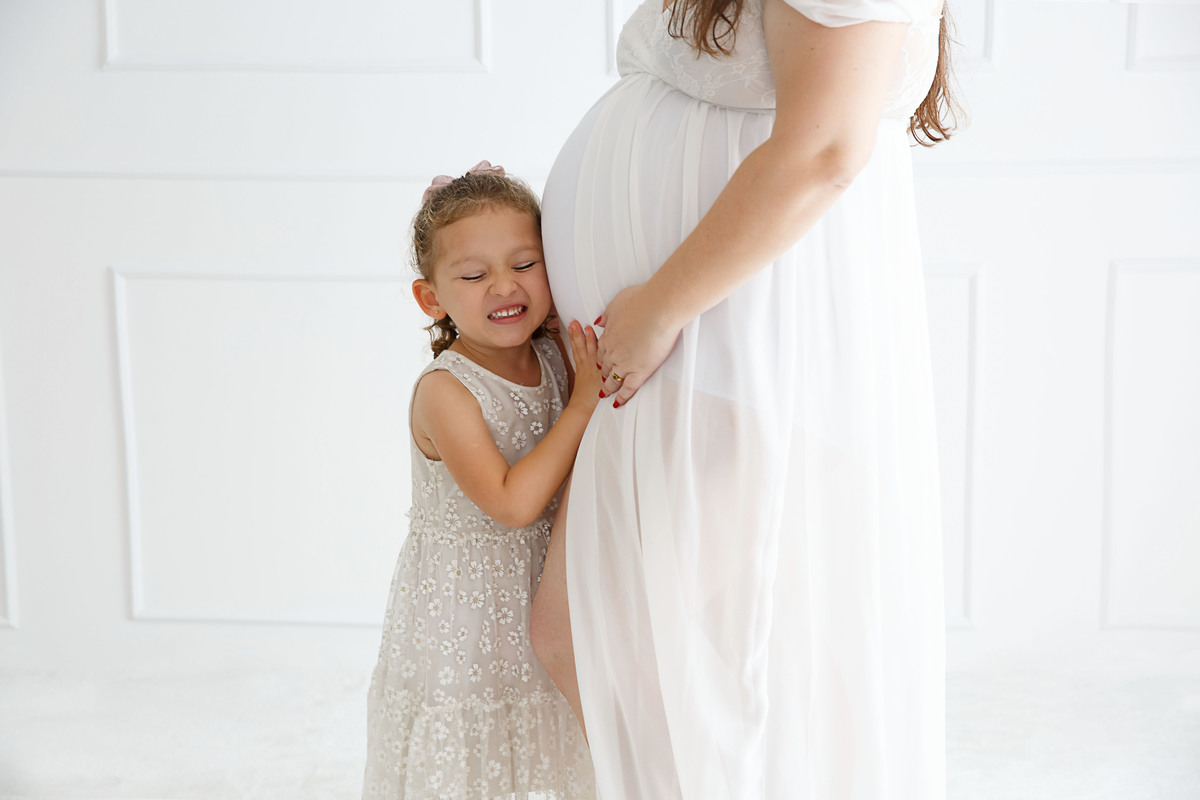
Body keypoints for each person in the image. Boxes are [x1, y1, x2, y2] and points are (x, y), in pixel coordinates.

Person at [529, 0, 957, 797]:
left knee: (615, 642)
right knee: (625, 643)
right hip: (683, 344)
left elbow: (825, 149)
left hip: (733, 333)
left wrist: (660, 308)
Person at [362, 163, 597, 800]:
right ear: (431, 298)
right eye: (473, 275)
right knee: (477, 751)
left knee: (549, 740)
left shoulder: (553, 354)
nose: (504, 286)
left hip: (541, 591)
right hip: (465, 614)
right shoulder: (447, 391)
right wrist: (582, 405)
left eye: (525, 263)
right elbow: (512, 503)